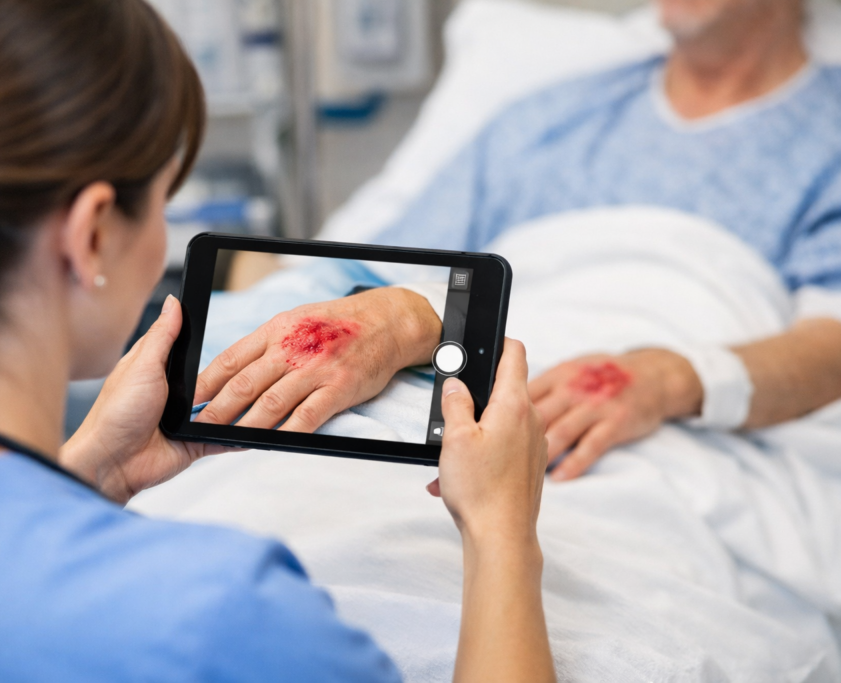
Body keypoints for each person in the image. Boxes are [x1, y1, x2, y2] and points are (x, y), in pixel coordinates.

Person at [0, 0, 555, 680]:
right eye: (164, 202)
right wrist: (500, 533)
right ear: (93, 234)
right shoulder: (218, 618)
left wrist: (89, 477)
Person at [200, 0, 841, 481]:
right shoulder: (547, 119)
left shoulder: (827, 136)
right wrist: (392, 313)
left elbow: (830, 345)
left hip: (642, 425)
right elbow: (371, 265)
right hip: (462, 384)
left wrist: (671, 379)